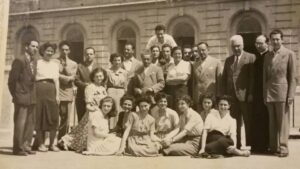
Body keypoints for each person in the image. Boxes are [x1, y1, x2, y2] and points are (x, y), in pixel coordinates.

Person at [263, 29, 297, 157]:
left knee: (282, 122)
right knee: (272, 122)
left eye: (277, 39)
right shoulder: (267, 55)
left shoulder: (289, 54)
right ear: (270, 41)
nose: (275, 42)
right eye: (273, 39)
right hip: (269, 93)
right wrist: (264, 94)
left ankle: (283, 147)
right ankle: (273, 146)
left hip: (283, 93)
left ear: (282, 40)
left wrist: (291, 95)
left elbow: (293, 77)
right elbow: (264, 77)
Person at [59, 68, 108, 152]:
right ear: (93, 77)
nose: (99, 78)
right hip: (93, 113)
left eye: (101, 76)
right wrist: (95, 110)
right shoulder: (90, 87)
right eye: (97, 76)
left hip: (101, 114)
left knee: (84, 132)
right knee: (82, 132)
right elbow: (88, 105)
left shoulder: (103, 88)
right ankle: (65, 141)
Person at [221, 35, 255, 149]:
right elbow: (225, 78)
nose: (236, 48)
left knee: (248, 120)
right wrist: (225, 96)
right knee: (234, 122)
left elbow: (252, 78)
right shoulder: (228, 60)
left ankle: (251, 144)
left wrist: (250, 93)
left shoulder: (251, 57)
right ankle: (237, 144)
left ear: (243, 45)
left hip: (245, 96)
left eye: (238, 46)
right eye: (234, 46)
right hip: (231, 97)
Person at [8, 40, 39, 156]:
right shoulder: (19, 61)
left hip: (32, 96)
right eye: (33, 46)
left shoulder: (34, 61)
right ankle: (18, 148)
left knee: (30, 123)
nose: (35, 49)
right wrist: (17, 95)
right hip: (21, 97)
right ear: (26, 47)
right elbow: (11, 81)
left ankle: (26, 145)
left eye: (36, 47)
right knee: (20, 123)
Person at [34, 42, 60, 152]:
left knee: (53, 117)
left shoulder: (55, 64)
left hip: (51, 89)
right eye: (47, 51)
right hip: (39, 89)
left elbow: (56, 80)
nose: (49, 53)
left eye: (52, 51)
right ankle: (41, 144)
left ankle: (52, 144)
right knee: (39, 116)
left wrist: (57, 94)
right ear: (43, 51)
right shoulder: (37, 63)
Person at [252, 35, 270, 153]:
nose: (258, 45)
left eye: (260, 43)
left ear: (267, 43)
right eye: (256, 43)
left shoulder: (270, 56)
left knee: (268, 120)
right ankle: (259, 145)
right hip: (257, 93)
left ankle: (268, 145)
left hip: (268, 93)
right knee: (258, 119)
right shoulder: (255, 57)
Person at [192, 42, 222, 112]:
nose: (201, 52)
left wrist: (218, 96)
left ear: (208, 50)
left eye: (203, 50)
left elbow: (219, 81)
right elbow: (194, 82)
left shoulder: (216, 62)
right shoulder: (195, 64)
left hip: (211, 97)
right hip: (199, 97)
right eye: (199, 51)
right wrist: (194, 96)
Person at [57, 41, 78, 140]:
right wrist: (66, 78)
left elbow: (72, 77)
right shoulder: (55, 62)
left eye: (66, 50)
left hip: (67, 91)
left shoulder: (73, 63)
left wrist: (65, 66)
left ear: (69, 51)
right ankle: (52, 139)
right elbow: (54, 75)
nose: (64, 51)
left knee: (66, 117)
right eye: (62, 49)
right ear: (59, 50)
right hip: (56, 90)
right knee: (55, 116)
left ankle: (62, 139)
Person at [75, 47, 101, 121]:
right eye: (87, 54)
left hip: (95, 96)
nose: (89, 55)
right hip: (82, 95)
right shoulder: (79, 66)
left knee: (94, 117)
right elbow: (76, 80)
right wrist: (85, 85)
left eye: (91, 54)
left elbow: (102, 79)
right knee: (82, 117)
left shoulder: (98, 66)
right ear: (84, 55)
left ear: (94, 55)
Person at [106, 53, 128, 129]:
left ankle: (119, 127)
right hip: (111, 91)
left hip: (121, 92)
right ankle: (110, 128)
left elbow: (126, 85)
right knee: (111, 109)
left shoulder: (124, 72)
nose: (117, 62)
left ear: (121, 61)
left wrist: (126, 94)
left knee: (120, 109)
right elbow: (105, 84)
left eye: (119, 60)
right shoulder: (108, 71)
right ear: (112, 61)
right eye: (115, 60)